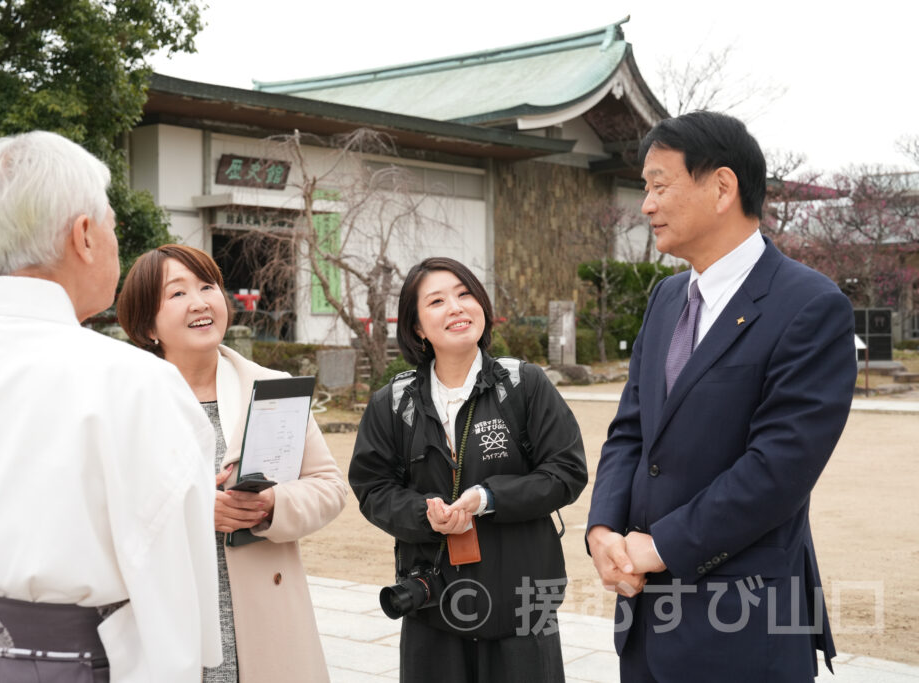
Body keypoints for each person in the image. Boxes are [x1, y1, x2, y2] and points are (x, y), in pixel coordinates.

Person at [0, 132, 222, 682]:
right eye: (114, 227)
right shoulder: (137, 383)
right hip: (65, 666)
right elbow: (170, 587)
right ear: (85, 236)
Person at [586, 111, 858, 682]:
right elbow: (632, 430)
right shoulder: (665, 299)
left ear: (722, 187)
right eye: (646, 189)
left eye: (660, 185)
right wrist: (604, 530)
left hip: (743, 626)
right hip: (644, 619)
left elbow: (776, 472)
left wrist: (658, 547)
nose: (647, 205)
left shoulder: (809, 306)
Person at [349, 256, 587, 683]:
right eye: (437, 301)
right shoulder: (393, 402)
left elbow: (566, 471)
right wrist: (425, 513)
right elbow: (372, 487)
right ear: (418, 326)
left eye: (464, 294)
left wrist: (488, 498)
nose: (456, 307)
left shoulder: (524, 384)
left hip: (521, 603)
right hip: (433, 605)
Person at [117, 243, 347, 683]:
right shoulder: (126, 403)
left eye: (208, 286)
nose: (200, 302)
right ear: (147, 324)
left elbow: (329, 486)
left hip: (264, 614)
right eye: (177, 293)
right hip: (165, 613)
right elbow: (101, 504)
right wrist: (196, 507)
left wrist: (271, 505)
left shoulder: (273, 388)